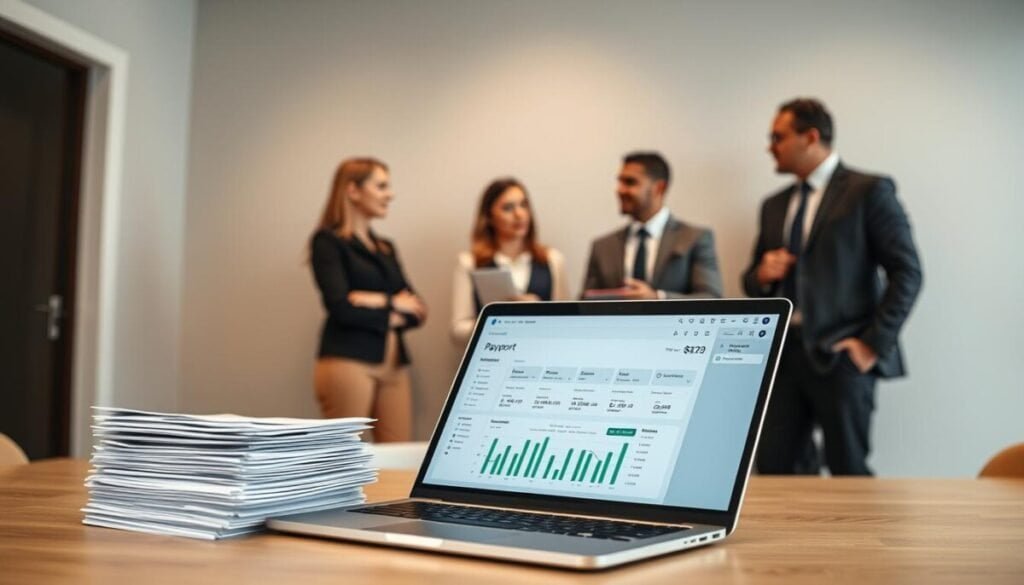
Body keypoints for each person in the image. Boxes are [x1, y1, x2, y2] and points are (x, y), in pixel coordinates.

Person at [743, 98, 923, 475]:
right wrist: (761, 274)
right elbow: (751, 280)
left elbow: (907, 271)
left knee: (849, 472)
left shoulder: (867, 191)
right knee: (776, 471)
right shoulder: (773, 205)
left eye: (777, 137)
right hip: (782, 358)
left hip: (842, 356)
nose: (769, 146)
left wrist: (871, 345)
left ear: (810, 137)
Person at [309, 157, 427, 442]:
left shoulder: (386, 247)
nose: (391, 194)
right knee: (344, 456)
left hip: (394, 366)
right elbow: (340, 307)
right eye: (382, 186)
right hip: (348, 362)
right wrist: (393, 303)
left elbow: (417, 308)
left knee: (398, 458)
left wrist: (375, 300)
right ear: (353, 191)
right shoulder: (328, 242)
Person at [582, 151, 722, 299]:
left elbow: (711, 297)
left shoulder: (695, 239)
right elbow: (584, 304)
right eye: (619, 182)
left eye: (630, 182)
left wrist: (658, 298)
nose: (620, 190)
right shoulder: (602, 246)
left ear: (659, 188)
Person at [451, 178, 568, 344]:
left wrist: (539, 310)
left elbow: (566, 323)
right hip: (494, 359)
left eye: (524, 205)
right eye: (508, 208)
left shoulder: (552, 259)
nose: (519, 214)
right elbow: (457, 331)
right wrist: (499, 321)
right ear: (489, 217)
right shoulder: (469, 263)